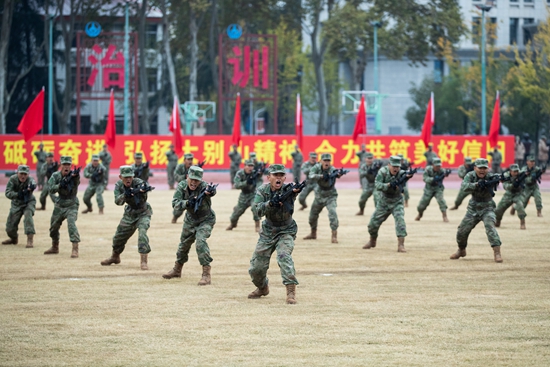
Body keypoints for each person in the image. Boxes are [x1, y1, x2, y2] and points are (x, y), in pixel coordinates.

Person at [247, 164, 302, 304]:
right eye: (275, 175)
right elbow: (258, 211)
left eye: (281, 175)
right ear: (268, 177)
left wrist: (295, 191)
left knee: (284, 257)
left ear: (284, 178)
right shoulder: (262, 191)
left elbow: (294, 190)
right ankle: (262, 287)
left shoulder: (288, 190)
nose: (278, 178)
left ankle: (290, 291)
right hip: (268, 231)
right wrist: (270, 204)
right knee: (256, 267)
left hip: (286, 230)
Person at [163, 166, 217, 285]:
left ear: (201, 180)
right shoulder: (182, 186)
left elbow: (210, 191)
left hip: (206, 219)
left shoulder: (204, 187)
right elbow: (175, 203)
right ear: (187, 177)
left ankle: (206, 274)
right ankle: (177, 269)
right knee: (183, 245)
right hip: (190, 220)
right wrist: (187, 203)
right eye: (191, 179)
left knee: (200, 242)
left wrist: (211, 192)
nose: (193, 182)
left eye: (196, 180)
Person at [450, 158, 503, 263]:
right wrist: (477, 184)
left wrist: (500, 178)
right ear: (475, 168)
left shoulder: (490, 176)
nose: (482, 170)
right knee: (461, 231)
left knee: (490, 228)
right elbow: (464, 187)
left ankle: (497, 252)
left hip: (488, 207)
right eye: (480, 168)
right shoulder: (470, 176)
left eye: (484, 168)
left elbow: (503, 178)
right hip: (473, 208)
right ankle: (461, 250)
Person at [101, 166, 153, 270]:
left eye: (130, 177)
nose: (128, 179)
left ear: (133, 176)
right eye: (125, 177)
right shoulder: (119, 185)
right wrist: (126, 195)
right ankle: (115, 257)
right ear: (120, 177)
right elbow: (117, 201)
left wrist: (139, 191)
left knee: (142, 233)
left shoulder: (139, 183)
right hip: (130, 213)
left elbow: (145, 189)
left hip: (143, 212)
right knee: (118, 237)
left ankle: (144, 261)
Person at [363, 156, 414, 252]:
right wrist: (388, 185)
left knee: (400, 222)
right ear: (389, 165)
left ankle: (401, 245)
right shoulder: (383, 172)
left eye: (397, 167)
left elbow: (405, 175)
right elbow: (377, 185)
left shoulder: (401, 173)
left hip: (397, 201)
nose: (396, 169)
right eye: (394, 166)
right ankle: (372, 240)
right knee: (372, 224)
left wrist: (408, 176)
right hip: (384, 201)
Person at [44, 156, 81, 258]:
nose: (66, 167)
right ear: (60, 165)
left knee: (71, 224)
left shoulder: (74, 175)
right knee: (53, 227)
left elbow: (77, 181)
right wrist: (60, 185)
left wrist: (73, 177)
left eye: (68, 164)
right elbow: (51, 189)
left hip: (72, 204)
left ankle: (75, 249)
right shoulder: (55, 176)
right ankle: (55, 246)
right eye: (64, 164)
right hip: (60, 204)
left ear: (71, 166)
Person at [303, 153, 343, 243]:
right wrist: (321, 176)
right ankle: (313, 233)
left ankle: (334, 235)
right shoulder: (316, 168)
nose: (326, 163)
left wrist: (338, 175)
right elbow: (311, 175)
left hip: (330, 196)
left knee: (333, 213)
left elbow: (337, 174)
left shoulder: (332, 169)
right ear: (321, 161)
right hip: (319, 195)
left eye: (328, 161)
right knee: (312, 216)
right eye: (325, 160)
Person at [2, 165, 36, 248]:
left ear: (28, 174)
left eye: (25, 174)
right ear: (17, 173)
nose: (23, 176)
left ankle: (30, 240)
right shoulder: (13, 179)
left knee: (28, 217)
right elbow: (7, 193)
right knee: (10, 227)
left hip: (28, 202)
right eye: (21, 174)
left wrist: (31, 187)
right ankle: (13, 239)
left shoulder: (30, 180)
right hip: (16, 203)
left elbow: (33, 183)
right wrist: (18, 194)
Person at [226, 160, 262, 232]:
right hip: (244, 195)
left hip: (253, 194)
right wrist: (246, 182)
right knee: (235, 214)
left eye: (252, 166)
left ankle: (257, 226)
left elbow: (260, 181)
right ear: (244, 166)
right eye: (248, 166)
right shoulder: (240, 173)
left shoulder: (254, 173)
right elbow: (236, 185)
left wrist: (260, 174)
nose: (250, 168)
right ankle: (233, 224)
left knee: (255, 207)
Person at [415, 157, 449, 222]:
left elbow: (445, 174)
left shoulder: (442, 171)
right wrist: (433, 179)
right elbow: (425, 178)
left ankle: (444, 216)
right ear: (433, 165)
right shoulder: (428, 169)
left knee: (441, 201)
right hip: (428, 189)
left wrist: (446, 174)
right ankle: (420, 214)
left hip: (438, 189)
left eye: (439, 166)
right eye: (436, 166)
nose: (438, 167)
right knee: (422, 204)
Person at [495, 164, 527, 230]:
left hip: (519, 194)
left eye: (517, 171)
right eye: (514, 171)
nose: (516, 173)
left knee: (520, 206)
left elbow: (527, 173)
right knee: (499, 208)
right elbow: (506, 187)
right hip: (509, 194)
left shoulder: (521, 174)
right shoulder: (506, 176)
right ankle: (498, 221)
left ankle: (522, 223)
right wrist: (513, 185)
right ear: (510, 171)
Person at [172, 153, 195, 223]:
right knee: (179, 208)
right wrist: (185, 177)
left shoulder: (194, 168)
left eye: (191, 159)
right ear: (184, 160)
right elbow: (176, 176)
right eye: (188, 159)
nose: (190, 161)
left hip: (192, 189)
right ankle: (175, 217)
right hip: (182, 189)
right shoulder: (180, 167)